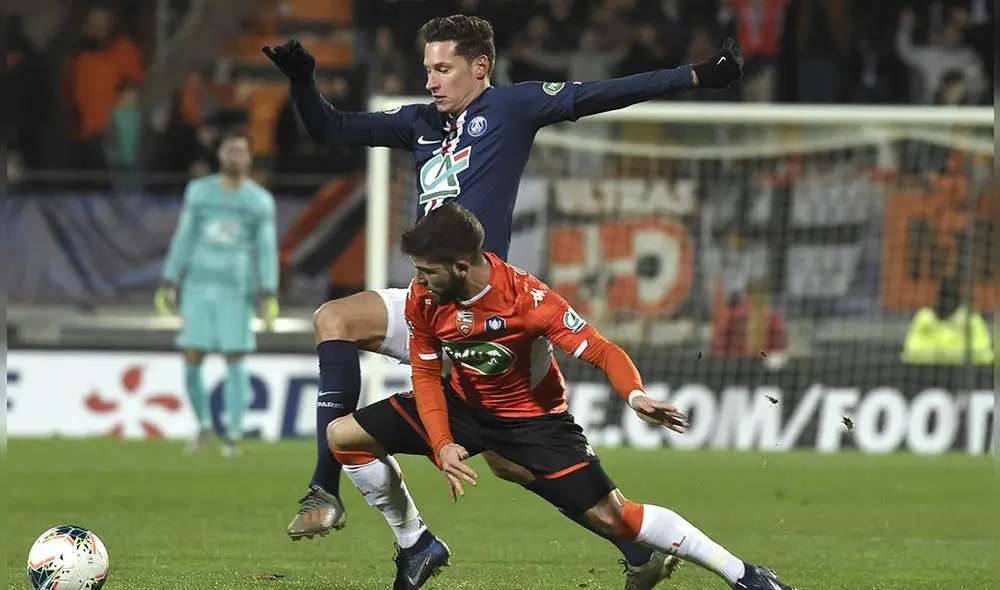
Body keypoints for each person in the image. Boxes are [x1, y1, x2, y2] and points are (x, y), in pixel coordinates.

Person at [262, 14, 743, 585]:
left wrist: (695, 76)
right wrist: (302, 82)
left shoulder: (512, 108)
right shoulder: (418, 123)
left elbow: (604, 94)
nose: (432, 81)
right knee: (334, 318)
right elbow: (332, 129)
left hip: (488, 311)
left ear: (480, 66)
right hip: (429, 304)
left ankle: (637, 547)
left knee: (513, 464)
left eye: (443, 69)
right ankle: (336, 492)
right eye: (428, 70)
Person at [328, 203, 798, 590]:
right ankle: (416, 543)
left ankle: (748, 577)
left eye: (427, 270)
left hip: (533, 422)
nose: (419, 280)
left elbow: (599, 349)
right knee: (344, 436)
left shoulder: (528, 302)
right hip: (462, 403)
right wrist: (441, 441)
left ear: (462, 266)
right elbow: (428, 374)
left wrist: (634, 396)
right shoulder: (423, 297)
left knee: (619, 518)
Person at [155, 131, 280, 457]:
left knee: (235, 358)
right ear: (220, 154)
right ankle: (204, 426)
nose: (236, 156)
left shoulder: (259, 201)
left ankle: (234, 435)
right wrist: (169, 279)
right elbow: (184, 235)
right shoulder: (199, 192)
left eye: (242, 150)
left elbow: (266, 249)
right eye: (231, 149)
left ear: (250, 158)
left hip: (235, 289)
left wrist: (269, 290)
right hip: (197, 284)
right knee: (192, 356)